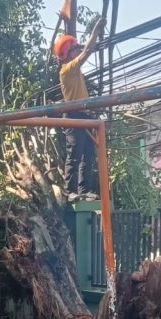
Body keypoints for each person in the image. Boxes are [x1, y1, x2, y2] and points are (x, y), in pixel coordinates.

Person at [53, 16, 105, 202]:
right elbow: (88, 51)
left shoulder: (74, 70)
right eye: (75, 48)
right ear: (68, 52)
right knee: (75, 153)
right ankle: (69, 190)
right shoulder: (67, 69)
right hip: (74, 115)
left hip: (84, 114)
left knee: (87, 154)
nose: (78, 50)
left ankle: (83, 190)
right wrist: (96, 30)